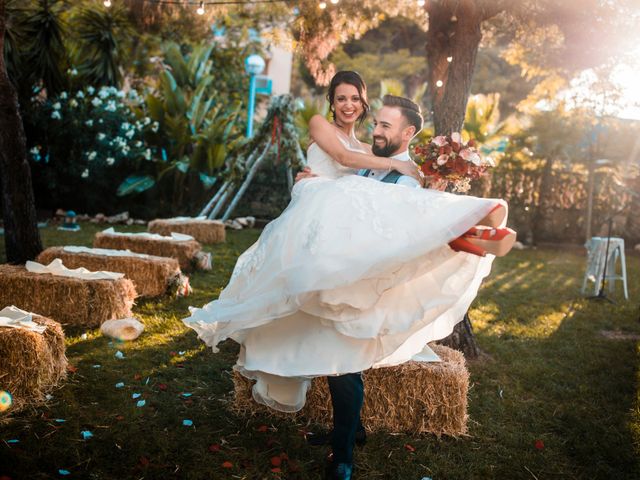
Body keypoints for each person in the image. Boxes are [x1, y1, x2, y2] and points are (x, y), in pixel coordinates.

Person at [183, 71, 514, 479]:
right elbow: (345, 172)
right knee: (327, 349)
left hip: (352, 267)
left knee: (341, 360)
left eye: (361, 104)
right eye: (343, 99)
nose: (355, 111)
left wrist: (395, 173)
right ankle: (349, 433)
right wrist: (333, 179)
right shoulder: (352, 150)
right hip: (324, 252)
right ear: (332, 100)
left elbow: (396, 219)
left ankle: (343, 456)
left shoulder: (387, 167)